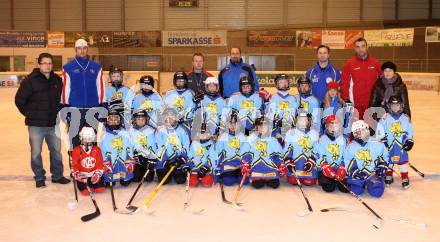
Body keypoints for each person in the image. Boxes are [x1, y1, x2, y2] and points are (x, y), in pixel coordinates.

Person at [15, 52, 70, 188]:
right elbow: (19, 100)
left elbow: (62, 101)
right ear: (39, 64)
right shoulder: (30, 81)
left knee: (56, 151)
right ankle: (39, 177)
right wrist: (31, 114)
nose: (47, 66)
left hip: (53, 124)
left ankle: (57, 175)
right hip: (36, 125)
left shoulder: (57, 80)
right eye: (44, 63)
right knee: (35, 153)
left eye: (50, 63)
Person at [60, 38, 106, 149]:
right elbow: (65, 88)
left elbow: (101, 87)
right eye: (79, 48)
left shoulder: (96, 67)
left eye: (84, 48)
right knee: (74, 137)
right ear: (75, 50)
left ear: (87, 49)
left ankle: (91, 162)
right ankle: (74, 163)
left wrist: (102, 105)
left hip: (92, 108)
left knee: (91, 137)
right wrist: (64, 107)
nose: (82, 51)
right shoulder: (68, 68)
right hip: (75, 109)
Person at [344, 120, 390, 197]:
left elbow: (384, 157)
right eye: (355, 132)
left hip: (373, 175)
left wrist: (381, 168)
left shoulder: (377, 143)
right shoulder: (350, 147)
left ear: (366, 130)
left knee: (376, 192)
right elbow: (348, 161)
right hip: (359, 175)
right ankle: (361, 184)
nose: (358, 134)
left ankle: (372, 183)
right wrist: (356, 173)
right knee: (357, 191)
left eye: (360, 131)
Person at [376, 96, 414, 189]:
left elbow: (409, 131)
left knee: (402, 162)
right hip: (389, 145)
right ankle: (389, 174)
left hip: (401, 145)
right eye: (393, 105)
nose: (395, 107)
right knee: (389, 161)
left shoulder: (405, 118)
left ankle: (405, 177)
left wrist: (409, 141)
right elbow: (379, 129)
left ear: (401, 106)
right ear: (389, 106)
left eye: (397, 105)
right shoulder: (385, 118)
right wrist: (382, 139)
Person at [341, 37, 381, 119]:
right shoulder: (349, 64)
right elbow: (344, 84)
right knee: (356, 130)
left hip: (372, 104)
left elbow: (382, 82)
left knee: (372, 130)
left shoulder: (376, 63)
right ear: (354, 49)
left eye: (363, 46)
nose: (360, 49)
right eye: (358, 47)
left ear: (367, 47)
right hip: (356, 106)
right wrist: (347, 101)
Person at [241, 117, 286, 189]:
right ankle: (258, 178)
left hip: (271, 168)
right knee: (258, 185)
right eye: (260, 126)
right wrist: (245, 164)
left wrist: (280, 164)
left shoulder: (273, 140)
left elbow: (278, 155)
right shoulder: (251, 139)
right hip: (256, 168)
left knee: (275, 185)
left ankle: (270, 178)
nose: (262, 128)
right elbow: (246, 153)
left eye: (264, 126)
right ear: (256, 127)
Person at [283, 109, 320, 186]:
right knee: (293, 181)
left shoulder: (314, 133)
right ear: (296, 121)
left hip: (308, 164)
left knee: (310, 182)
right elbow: (287, 150)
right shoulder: (290, 133)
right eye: (300, 120)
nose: (302, 122)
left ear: (308, 121)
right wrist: (288, 160)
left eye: (304, 120)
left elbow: (318, 151)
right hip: (295, 164)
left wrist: (312, 161)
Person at [155, 108, 190, 185]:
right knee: (163, 181)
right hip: (164, 161)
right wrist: (164, 161)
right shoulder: (160, 131)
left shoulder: (182, 131)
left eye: (171, 117)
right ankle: (166, 169)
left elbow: (186, 146)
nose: (169, 120)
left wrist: (181, 158)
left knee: (180, 180)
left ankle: (176, 170)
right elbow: (159, 147)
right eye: (166, 118)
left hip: (178, 160)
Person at [100, 109, 135, 186]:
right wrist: (105, 164)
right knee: (111, 182)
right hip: (111, 166)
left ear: (120, 120)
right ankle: (111, 177)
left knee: (125, 182)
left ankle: (124, 176)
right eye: (111, 119)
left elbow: (130, 149)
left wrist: (130, 162)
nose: (113, 121)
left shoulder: (125, 134)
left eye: (116, 119)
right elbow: (102, 152)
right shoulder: (104, 136)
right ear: (107, 121)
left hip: (123, 164)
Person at [314, 115, 348, 193]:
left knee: (344, 188)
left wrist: (343, 166)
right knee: (329, 188)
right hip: (326, 168)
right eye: (330, 125)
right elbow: (318, 155)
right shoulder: (322, 139)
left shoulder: (344, 140)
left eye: (335, 125)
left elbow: (347, 155)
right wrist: (324, 165)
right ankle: (331, 180)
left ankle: (338, 179)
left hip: (339, 169)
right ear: (326, 127)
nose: (333, 128)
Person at [215, 111, 249, 186]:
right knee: (228, 182)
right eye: (231, 123)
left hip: (240, 163)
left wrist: (245, 163)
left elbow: (246, 152)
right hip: (228, 162)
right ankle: (232, 173)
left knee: (244, 181)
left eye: (235, 123)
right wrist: (217, 171)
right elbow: (217, 153)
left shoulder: (242, 137)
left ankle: (237, 173)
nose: (233, 126)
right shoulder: (223, 137)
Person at [265, 74, 298, 144]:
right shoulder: (272, 98)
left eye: (285, 82)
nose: (284, 84)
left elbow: (295, 115)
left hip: (290, 129)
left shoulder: (293, 98)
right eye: (281, 82)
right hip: (276, 130)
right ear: (277, 85)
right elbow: (269, 116)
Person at [71, 127, 105, 196]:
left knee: (100, 189)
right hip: (83, 175)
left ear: (92, 139)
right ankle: (86, 185)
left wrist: (97, 174)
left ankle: (92, 184)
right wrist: (77, 174)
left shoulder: (97, 149)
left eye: (89, 138)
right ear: (81, 138)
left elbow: (100, 163)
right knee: (85, 192)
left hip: (93, 174)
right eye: (85, 138)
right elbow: (75, 164)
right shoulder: (76, 150)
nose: (87, 141)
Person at [128, 110, 158, 183]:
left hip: (146, 158)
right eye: (138, 119)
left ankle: (148, 170)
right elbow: (129, 145)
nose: (141, 121)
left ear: (146, 120)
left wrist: (151, 160)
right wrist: (133, 155)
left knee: (148, 179)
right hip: (136, 159)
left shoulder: (150, 131)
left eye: (143, 119)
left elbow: (153, 147)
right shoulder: (130, 131)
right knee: (136, 179)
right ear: (134, 120)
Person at [163, 71, 195, 136]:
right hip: (171, 123)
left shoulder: (190, 93)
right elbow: (165, 108)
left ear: (185, 81)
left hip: (186, 123)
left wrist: (183, 118)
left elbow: (192, 108)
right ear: (174, 82)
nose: (180, 83)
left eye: (182, 81)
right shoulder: (169, 93)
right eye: (178, 81)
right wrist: (172, 118)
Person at [196, 77, 226, 141]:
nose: (212, 88)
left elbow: (223, 118)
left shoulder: (222, 101)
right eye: (210, 86)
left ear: (217, 87)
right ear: (206, 87)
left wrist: (219, 131)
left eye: (214, 86)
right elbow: (198, 115)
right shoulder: (202, 99)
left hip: (216, 131)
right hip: (204, 131)